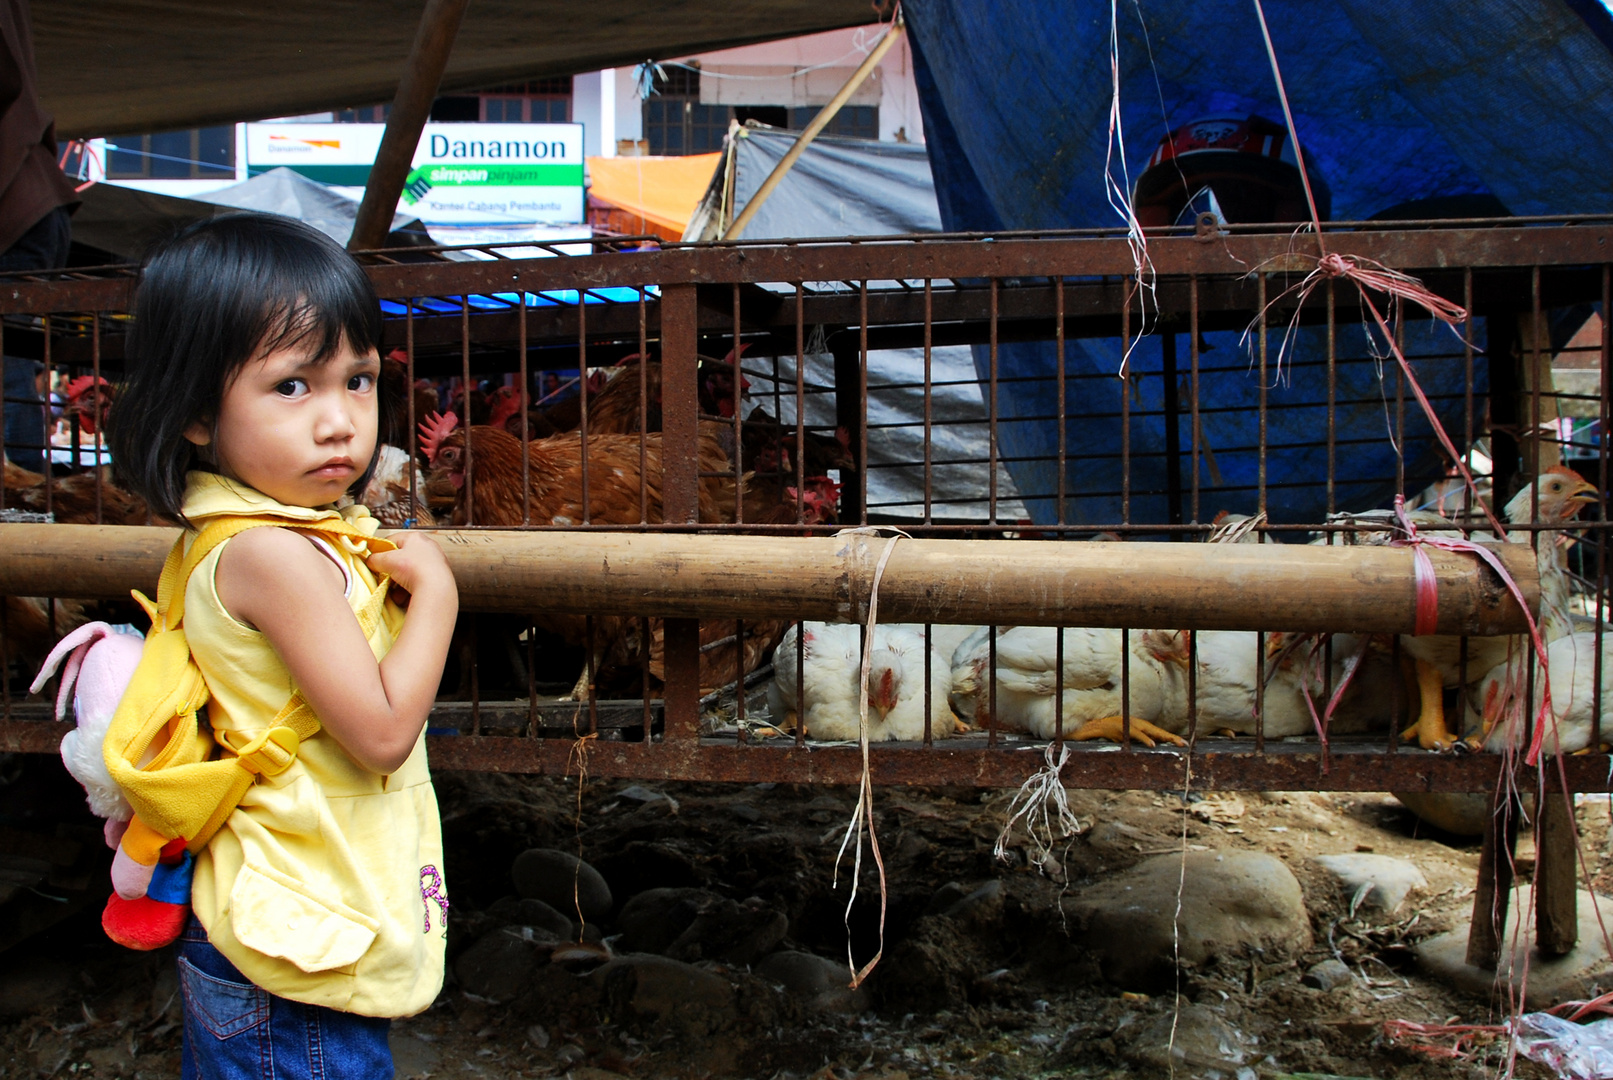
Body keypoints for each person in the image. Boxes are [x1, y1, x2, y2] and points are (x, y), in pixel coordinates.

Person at [106, 213, 458, 1079]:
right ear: (193, 410)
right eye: (293, 387)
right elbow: (381, 734)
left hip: (294, 918)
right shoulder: (273, 554)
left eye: (360, 380)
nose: (340, 421)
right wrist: (440, 595)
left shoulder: (257, 531)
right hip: (292, 954)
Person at [0, 0, 80, 472]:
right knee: (14, 355)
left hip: (21, 207)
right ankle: (26, 478)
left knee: (9, 357)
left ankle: (23, 482)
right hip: (33, 203)